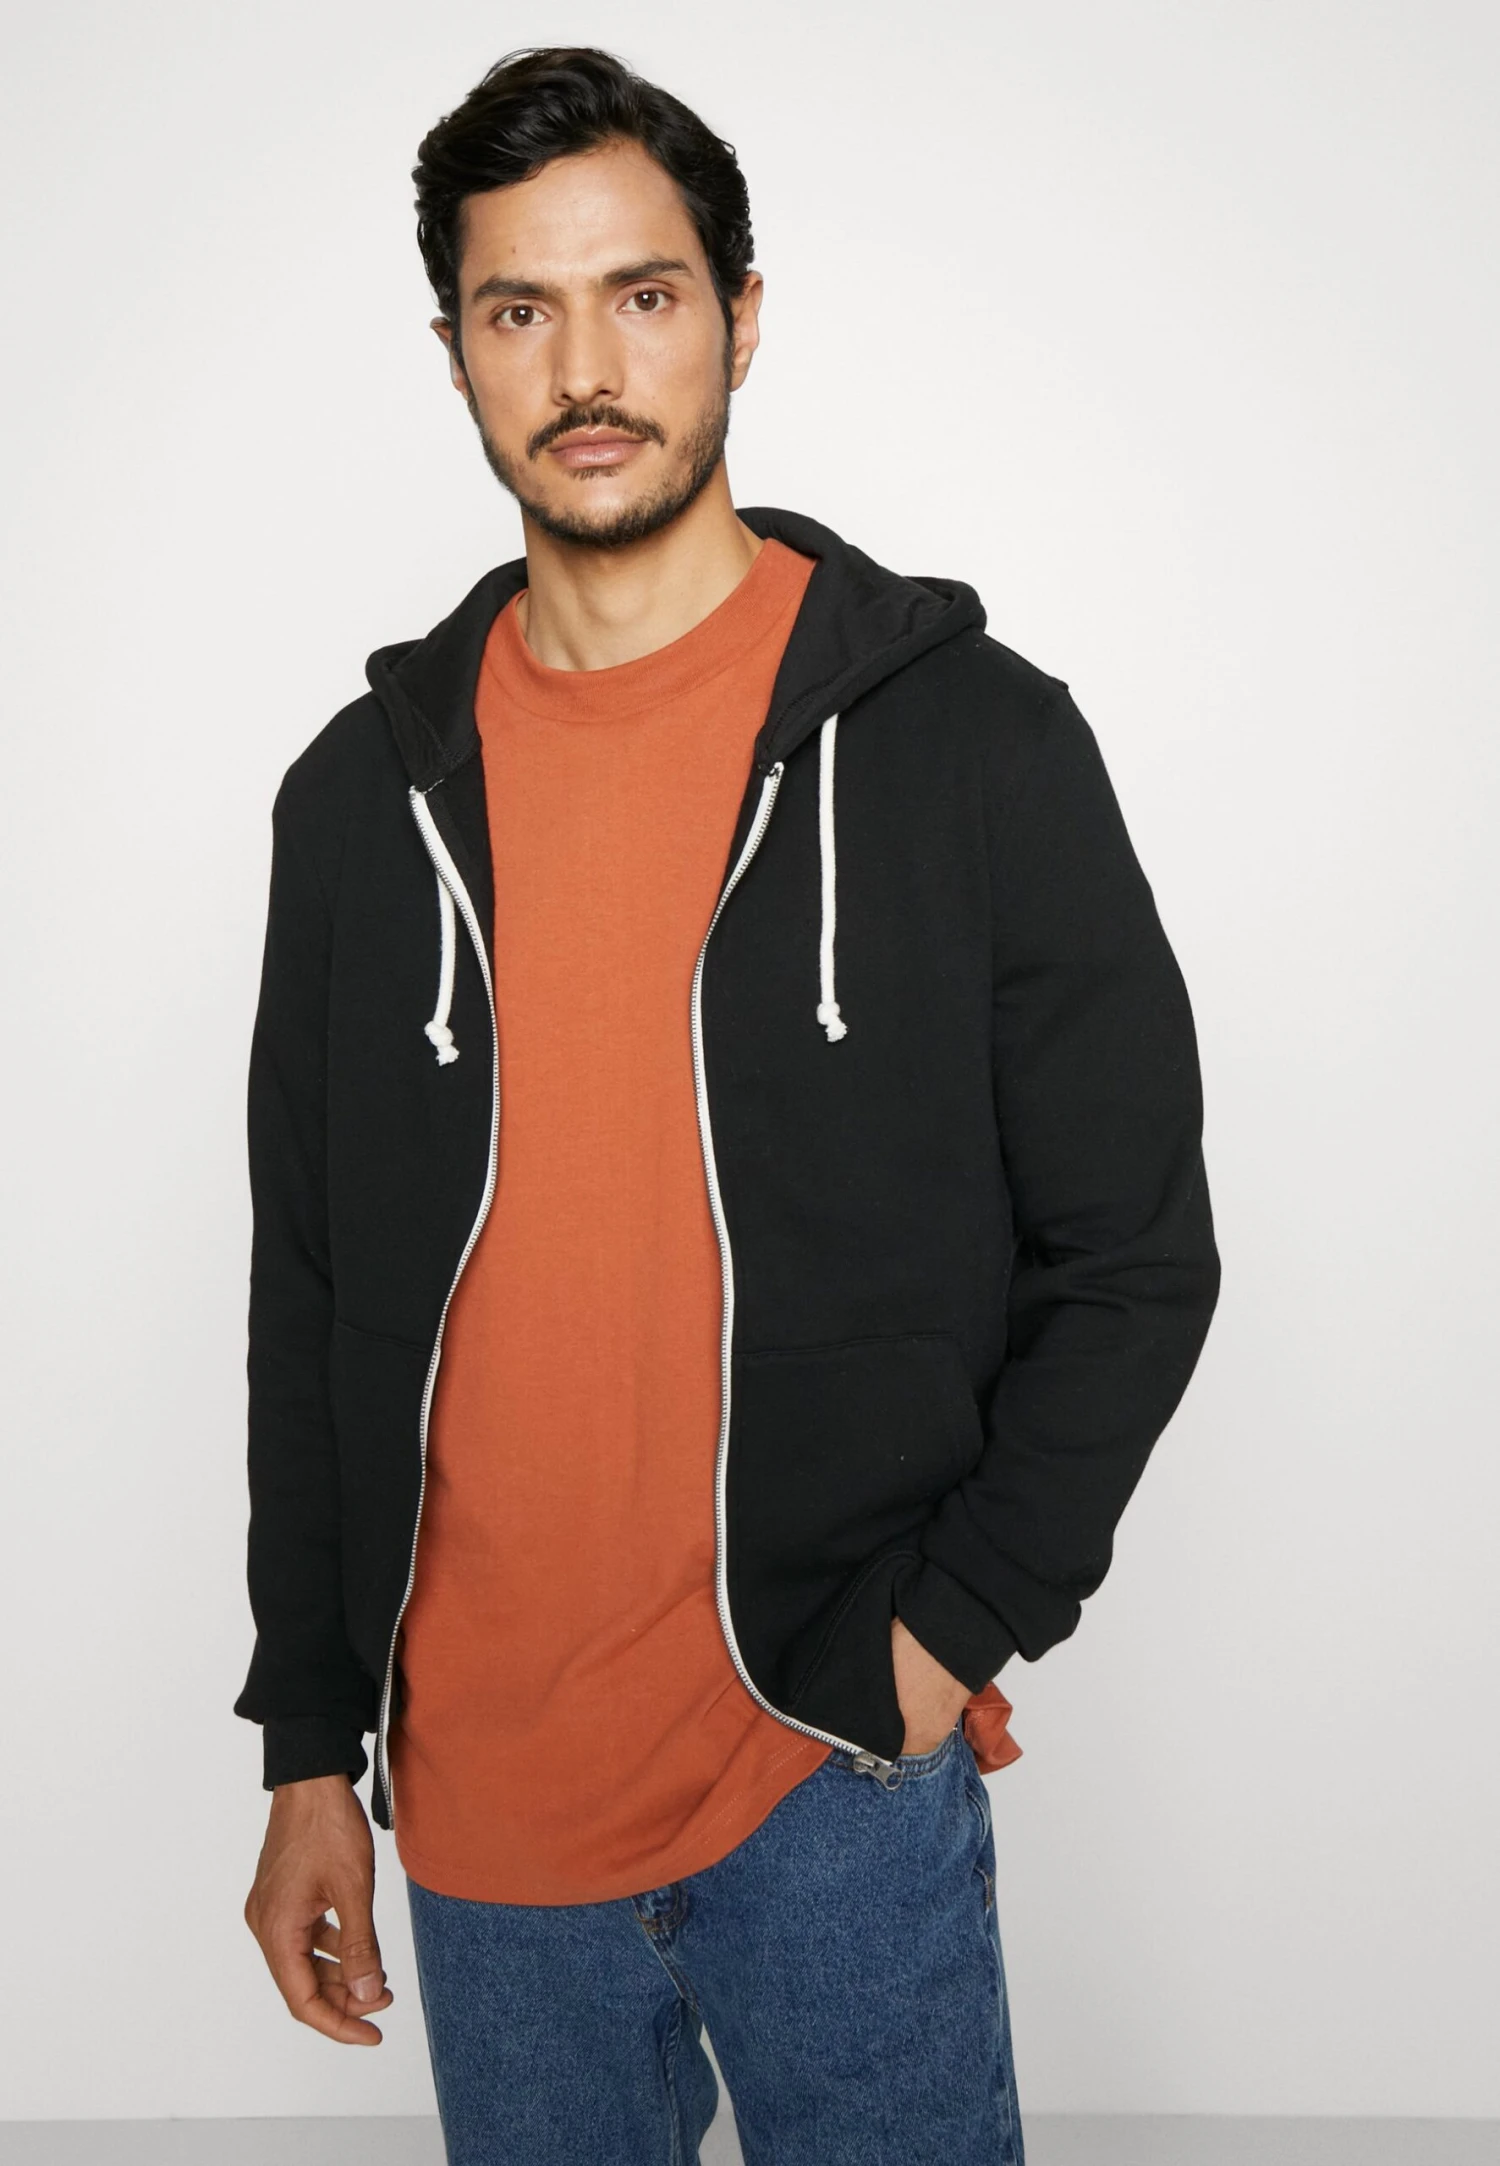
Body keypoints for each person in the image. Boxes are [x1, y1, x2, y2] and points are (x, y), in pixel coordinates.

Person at [237, 44, 1221, 2166]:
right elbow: (309, 1302)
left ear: (741, 317)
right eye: (520, 308)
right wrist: (311, 1742)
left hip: (825, 1775)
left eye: (645, 294)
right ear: (454, 350)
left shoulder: (974, 746)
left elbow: (1136, 1252)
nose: (586, 368)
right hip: (483, 1823)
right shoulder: (360, 802)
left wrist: (948, 1635)